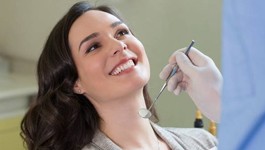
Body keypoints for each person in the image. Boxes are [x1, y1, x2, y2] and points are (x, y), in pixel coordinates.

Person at [20, 1, 222, 150]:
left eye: (121, 33)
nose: (119, 45)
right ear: (75, 83)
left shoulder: (203, 143)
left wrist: (223, 107)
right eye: (93, 47)